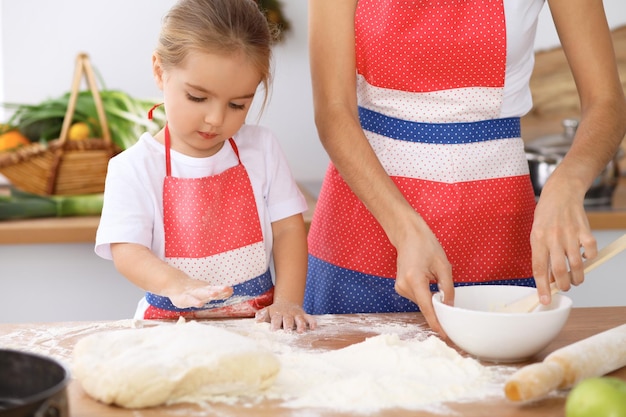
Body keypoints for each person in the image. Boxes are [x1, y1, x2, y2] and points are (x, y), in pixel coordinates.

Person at [304, 0, 626, 336]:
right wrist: (404, 229)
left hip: (498, 239)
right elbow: (333, 112)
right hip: (363, 239)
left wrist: (566, 185)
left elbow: (606, 101)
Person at [95, 0, 316, 333]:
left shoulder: (262, 149)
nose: (216, 119)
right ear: (159, 71)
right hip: (171, 328)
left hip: (258, 325)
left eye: (237, 105)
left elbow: (288, 230)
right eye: (198, 98)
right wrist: (175, 284)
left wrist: (287, 301)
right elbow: (128, 250)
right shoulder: (134, 168)